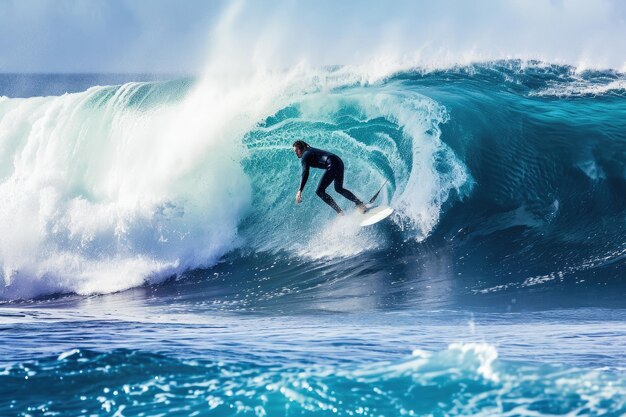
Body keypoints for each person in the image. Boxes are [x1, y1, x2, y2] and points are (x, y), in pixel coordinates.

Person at [293, 140, 367, 215]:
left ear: (301, 148)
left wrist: (300, 190)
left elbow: (305, 172)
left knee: (319, 191)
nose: (295, 153)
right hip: (338, 161)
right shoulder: (309, 150)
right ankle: (359, 204)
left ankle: (340, 213)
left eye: (296, 150)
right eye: (294, 151)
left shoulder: (305, 155)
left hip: (332, 164)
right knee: (338, 189)